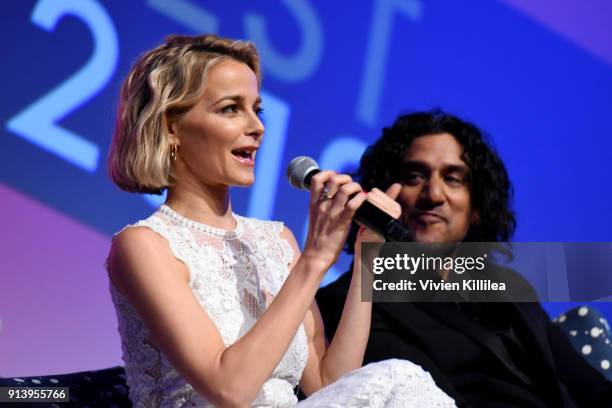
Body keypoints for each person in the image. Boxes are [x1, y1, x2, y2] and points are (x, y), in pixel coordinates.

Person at [106, 34, 456, 407]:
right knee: (399, 376)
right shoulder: (144, 246)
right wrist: (315, 259)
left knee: (395, 379)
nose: (256, 126)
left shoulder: (276, 241)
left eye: (257, 109)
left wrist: (366, 256)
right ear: (172, 126)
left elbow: (329, 385)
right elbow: (228, 390)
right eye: (230, 109)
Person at [316, 110, 612, 407]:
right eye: (415, 176)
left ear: (477, 207)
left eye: (453, 179)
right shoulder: (348, 306)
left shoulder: (509, 291)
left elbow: (590, 387)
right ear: (383, 193)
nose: (433, 194)